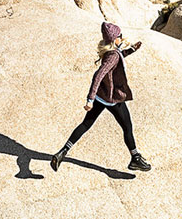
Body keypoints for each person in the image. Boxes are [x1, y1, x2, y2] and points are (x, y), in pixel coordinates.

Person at [50, 22, 151, 172]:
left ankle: (62, 152)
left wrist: (131, 50)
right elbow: (98, 75)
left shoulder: (111, 51)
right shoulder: (113, 55)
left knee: (85, 124)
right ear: (115, 39)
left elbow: (118, 58)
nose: (121, 38)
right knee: (127, 127)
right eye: (119, 36)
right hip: (112, 99)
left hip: (101, 96)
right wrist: (89, 99)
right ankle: (135, 158)